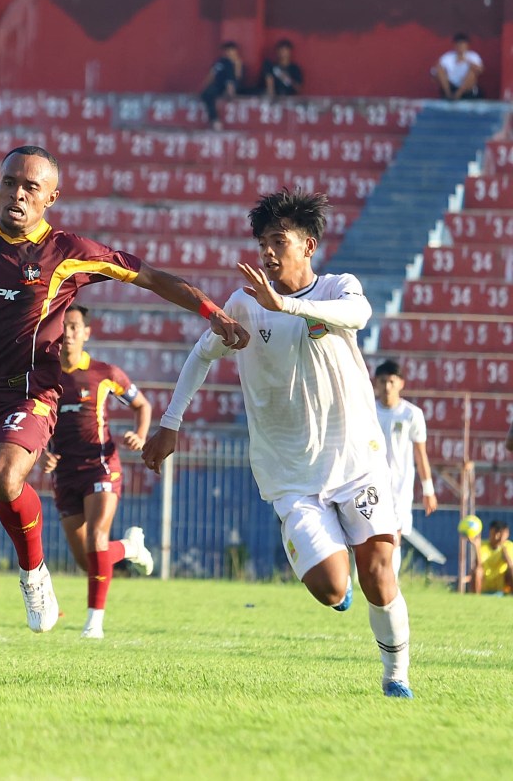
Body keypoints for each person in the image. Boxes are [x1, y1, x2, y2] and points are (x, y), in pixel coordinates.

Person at [0, 145, 249, 681]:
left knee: (4, 474)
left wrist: (213, 313)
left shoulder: (68, 252)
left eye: (30, 187)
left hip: (29, 395)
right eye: (9, 183)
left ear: (51, 197)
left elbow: (152, 277)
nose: (17, 195)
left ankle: (34, 571)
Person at [141, 188, 414, 699]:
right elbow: (202, 355)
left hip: (357, 462)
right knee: (332, 588)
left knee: (379, 575)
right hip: (291, 476)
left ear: (308, 246)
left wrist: (285, 304)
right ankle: (333, 579)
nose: (267, 251)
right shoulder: (244, 304)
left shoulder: (337, 287)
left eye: (278, 241)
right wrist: (171, 422)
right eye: (263, 242)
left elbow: (360, 315)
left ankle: (395, 674)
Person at [40, 304, 154, 639]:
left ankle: (93, 625)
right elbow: (35, 421)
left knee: (96, 539)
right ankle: (130, 547)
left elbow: (141, 405)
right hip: (65, 473)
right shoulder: (44, 377)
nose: (68, 333)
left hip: (101, 467)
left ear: (86, 333)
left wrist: (141, 435)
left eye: (74, 326)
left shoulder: (104, 373)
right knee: (88, 561)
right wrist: (43, 454)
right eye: (63, 326)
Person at [373, 359, 438, 577]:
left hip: (399, 488)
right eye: (383, 381)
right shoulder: (368, 412)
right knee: (366, 537)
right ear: (376, 383)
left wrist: (428, 490)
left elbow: (421, 454)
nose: (387, 386)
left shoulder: (411, 414)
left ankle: (391, 583)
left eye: (391, 381)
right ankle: (360, 582)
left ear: (401, 383)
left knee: (394, 536)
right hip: (370, 483)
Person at [199, 41, 242, 130]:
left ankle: (215, 121)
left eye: (231, 51)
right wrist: (204, 86)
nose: (229, 53)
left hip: (231, 87)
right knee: (207, 94)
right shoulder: (220, 62)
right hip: (218, 86)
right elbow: (212, 74)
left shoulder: (237, 63)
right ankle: (215, 120)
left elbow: (236, 77)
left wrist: (231, 90)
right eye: (227, 51)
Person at [431, 32, 483, 100]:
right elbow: (435, 72)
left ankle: (458, 94)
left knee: (472, 71)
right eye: (458, 44)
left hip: (467, 88)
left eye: (462, 44)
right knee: (440, 68)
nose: (460, 47)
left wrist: (467, 61)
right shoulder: (447, 57)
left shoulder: (473, 56)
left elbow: (480, 70)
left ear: (467, 45)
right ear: (454, 45)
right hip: (451, 86)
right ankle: (448, 95)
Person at [469, 520, 513, 595]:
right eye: (494, 533)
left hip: (501, 583)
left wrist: (504, 550)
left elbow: (510, 565)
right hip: (485, 582)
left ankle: (510, 595)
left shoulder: (509, 546)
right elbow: (478, 565)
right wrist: (476, 548)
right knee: (477, 571)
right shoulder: (482, 545)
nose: (497, 536)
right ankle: (476, 596)